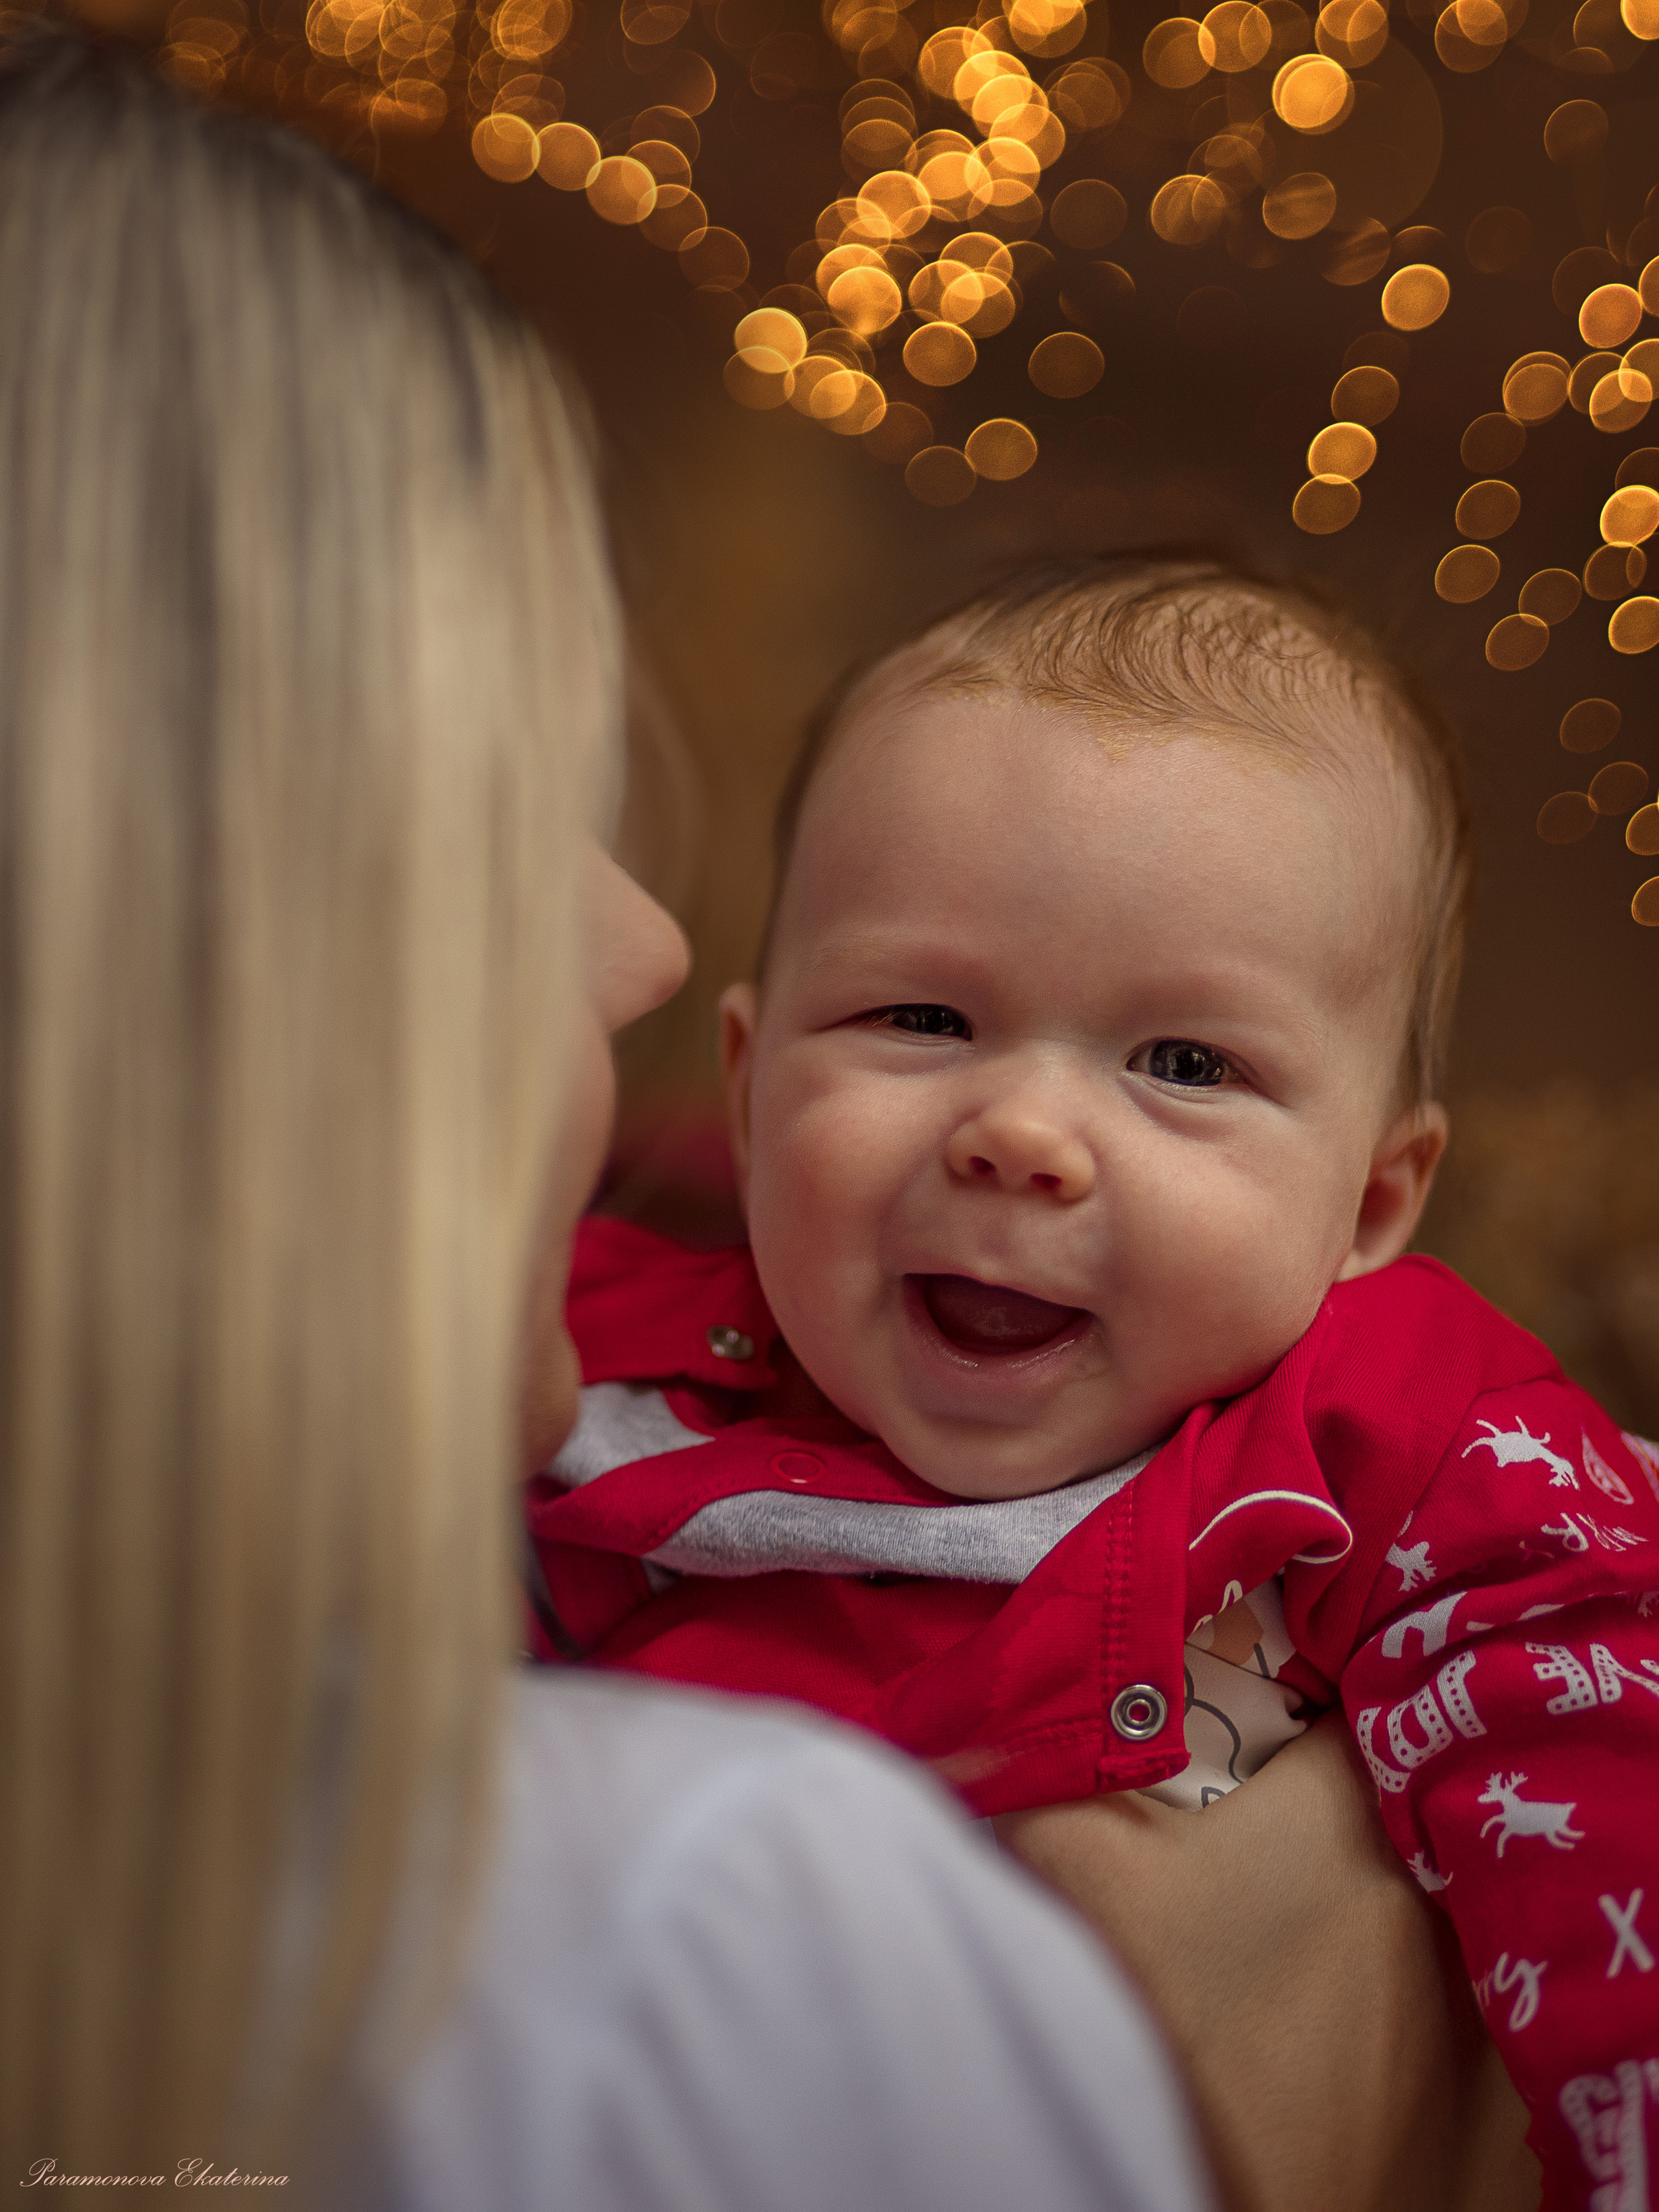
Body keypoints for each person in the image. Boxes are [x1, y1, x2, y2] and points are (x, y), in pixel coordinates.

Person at [0, 26, 1225, 2211]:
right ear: (174, 983)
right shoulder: (706, 1952)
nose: (647, 942)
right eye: (514, 821)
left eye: (1190, 1064)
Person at [528, 557, 1659, 2209]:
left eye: (1184, 1066)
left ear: (1367, 1204)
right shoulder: (580, 1364)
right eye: (920, 1017)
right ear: (750, 1085)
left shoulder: (1402, 1445)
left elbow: (1597, 1766)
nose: (1025, 1137)